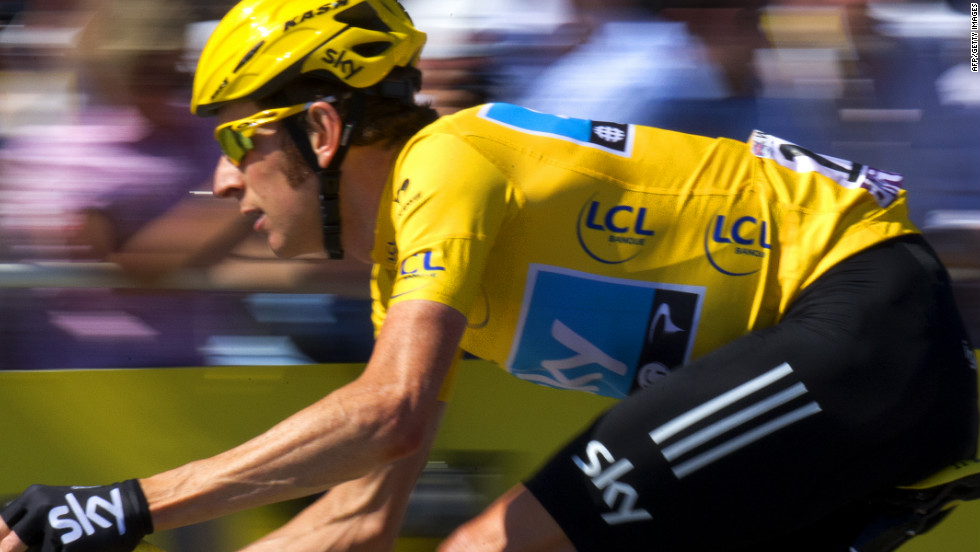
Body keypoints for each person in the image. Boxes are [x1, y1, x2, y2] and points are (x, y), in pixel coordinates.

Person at [2, 0, 977, 551]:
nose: (216, 181)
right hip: (831, 344)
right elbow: (355, 517)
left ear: (324, 129)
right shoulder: (407, 271)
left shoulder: (448, 165)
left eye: (234, 143)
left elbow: (388, 414)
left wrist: (121, 505)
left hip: (858, 312)